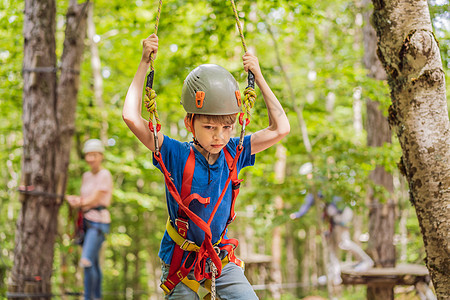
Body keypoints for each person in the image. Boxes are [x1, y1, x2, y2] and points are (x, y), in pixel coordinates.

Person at [122, 33, 290, 299]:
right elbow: (131, 116)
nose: (219, 137)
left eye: (227, 128)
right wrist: (144, 62)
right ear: (190, 124)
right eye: (209, 127)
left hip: (220, 260)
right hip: (182, 263)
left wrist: (258, 76)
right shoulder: (175, 154)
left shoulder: (235, 151)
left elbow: (281, 128)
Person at [290, 193, 374, 285]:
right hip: (334, 219)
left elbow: (312, 202)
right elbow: (311, 203)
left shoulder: (323, 186)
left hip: (341, 215)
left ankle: (366, 261)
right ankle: (334, 273)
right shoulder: (317, 191)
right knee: (331, 247)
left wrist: (299, 214)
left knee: (344, 243)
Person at [66, 139, 113, 300]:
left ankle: (89, 297)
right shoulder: (86, 176)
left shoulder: (104, 174)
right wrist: (74, 199)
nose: (91, 158)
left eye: (94, 155)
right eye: (88, 155)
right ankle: (96, 297)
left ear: (100, 156)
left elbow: (94, 199)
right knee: (93, 262)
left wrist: (78, 202)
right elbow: (85, 198)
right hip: (86, 222)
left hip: (99, 222)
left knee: (86, 260)